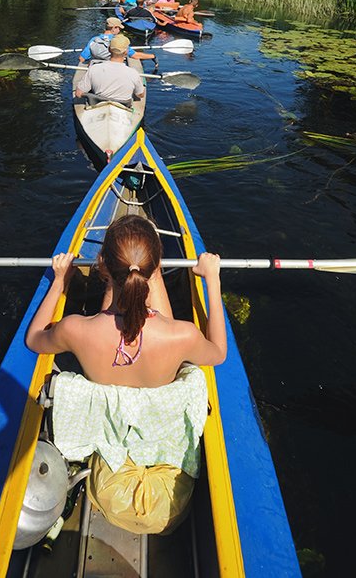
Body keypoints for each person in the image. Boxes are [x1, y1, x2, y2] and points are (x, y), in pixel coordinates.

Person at [26, 215, 226, 534]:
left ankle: (129, 273)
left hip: (109, 420)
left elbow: (34, 339)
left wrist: (60, 280)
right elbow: (218, 352)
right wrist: (212, 279)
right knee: (158, 323)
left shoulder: (74, 330)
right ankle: (135, 273)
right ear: (155, 266)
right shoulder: (182, 335)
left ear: (102, 264)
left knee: (115, 310)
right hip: (160, 390)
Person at [74, 34, 146, 105]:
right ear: (126, 52)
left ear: (109, 49)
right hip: (123, 107)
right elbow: (140, 95)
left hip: (98, 105)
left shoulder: (94, 69)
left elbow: (78, 93)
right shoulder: (133, 73)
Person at [78, 17, 157, 66]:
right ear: (114, 28)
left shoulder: (93, 40)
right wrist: (152, 56)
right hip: (112, 69)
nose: (119, 30)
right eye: (119, 28)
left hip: (96, 70)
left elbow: (82, 58)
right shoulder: (118, 41)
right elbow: (135, 55)